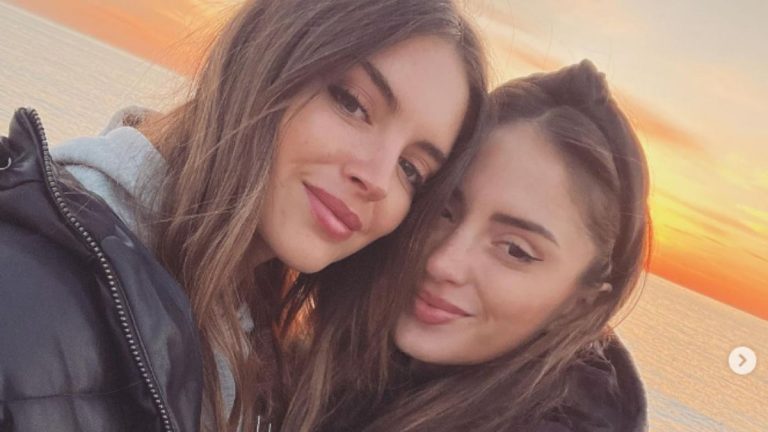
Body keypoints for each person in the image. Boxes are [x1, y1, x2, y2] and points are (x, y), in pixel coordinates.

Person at [0, 0, 487, 430]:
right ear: (265, 58)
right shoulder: (30, 283)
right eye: (353, 104)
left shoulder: (258, 342)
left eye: (411, 169)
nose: (378, 179)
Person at [282, 60, 649, 432]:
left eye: (515, 250)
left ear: (579, 304)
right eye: (444, 211)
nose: (443, 262)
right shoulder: (334, 364)